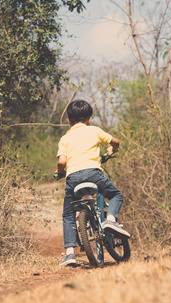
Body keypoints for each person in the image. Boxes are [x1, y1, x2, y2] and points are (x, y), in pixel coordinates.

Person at [55, 100, 130, 267]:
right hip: (94, 173)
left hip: (73, 178)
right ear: (89, 119)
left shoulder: (65, 138)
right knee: (116, 195)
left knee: (68, 214)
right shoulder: (94, 131)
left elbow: (62, 162)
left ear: (68, 120)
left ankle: (69, 254)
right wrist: (112, 150)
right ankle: (110, 220)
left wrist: (60, 172)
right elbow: (115, 142)